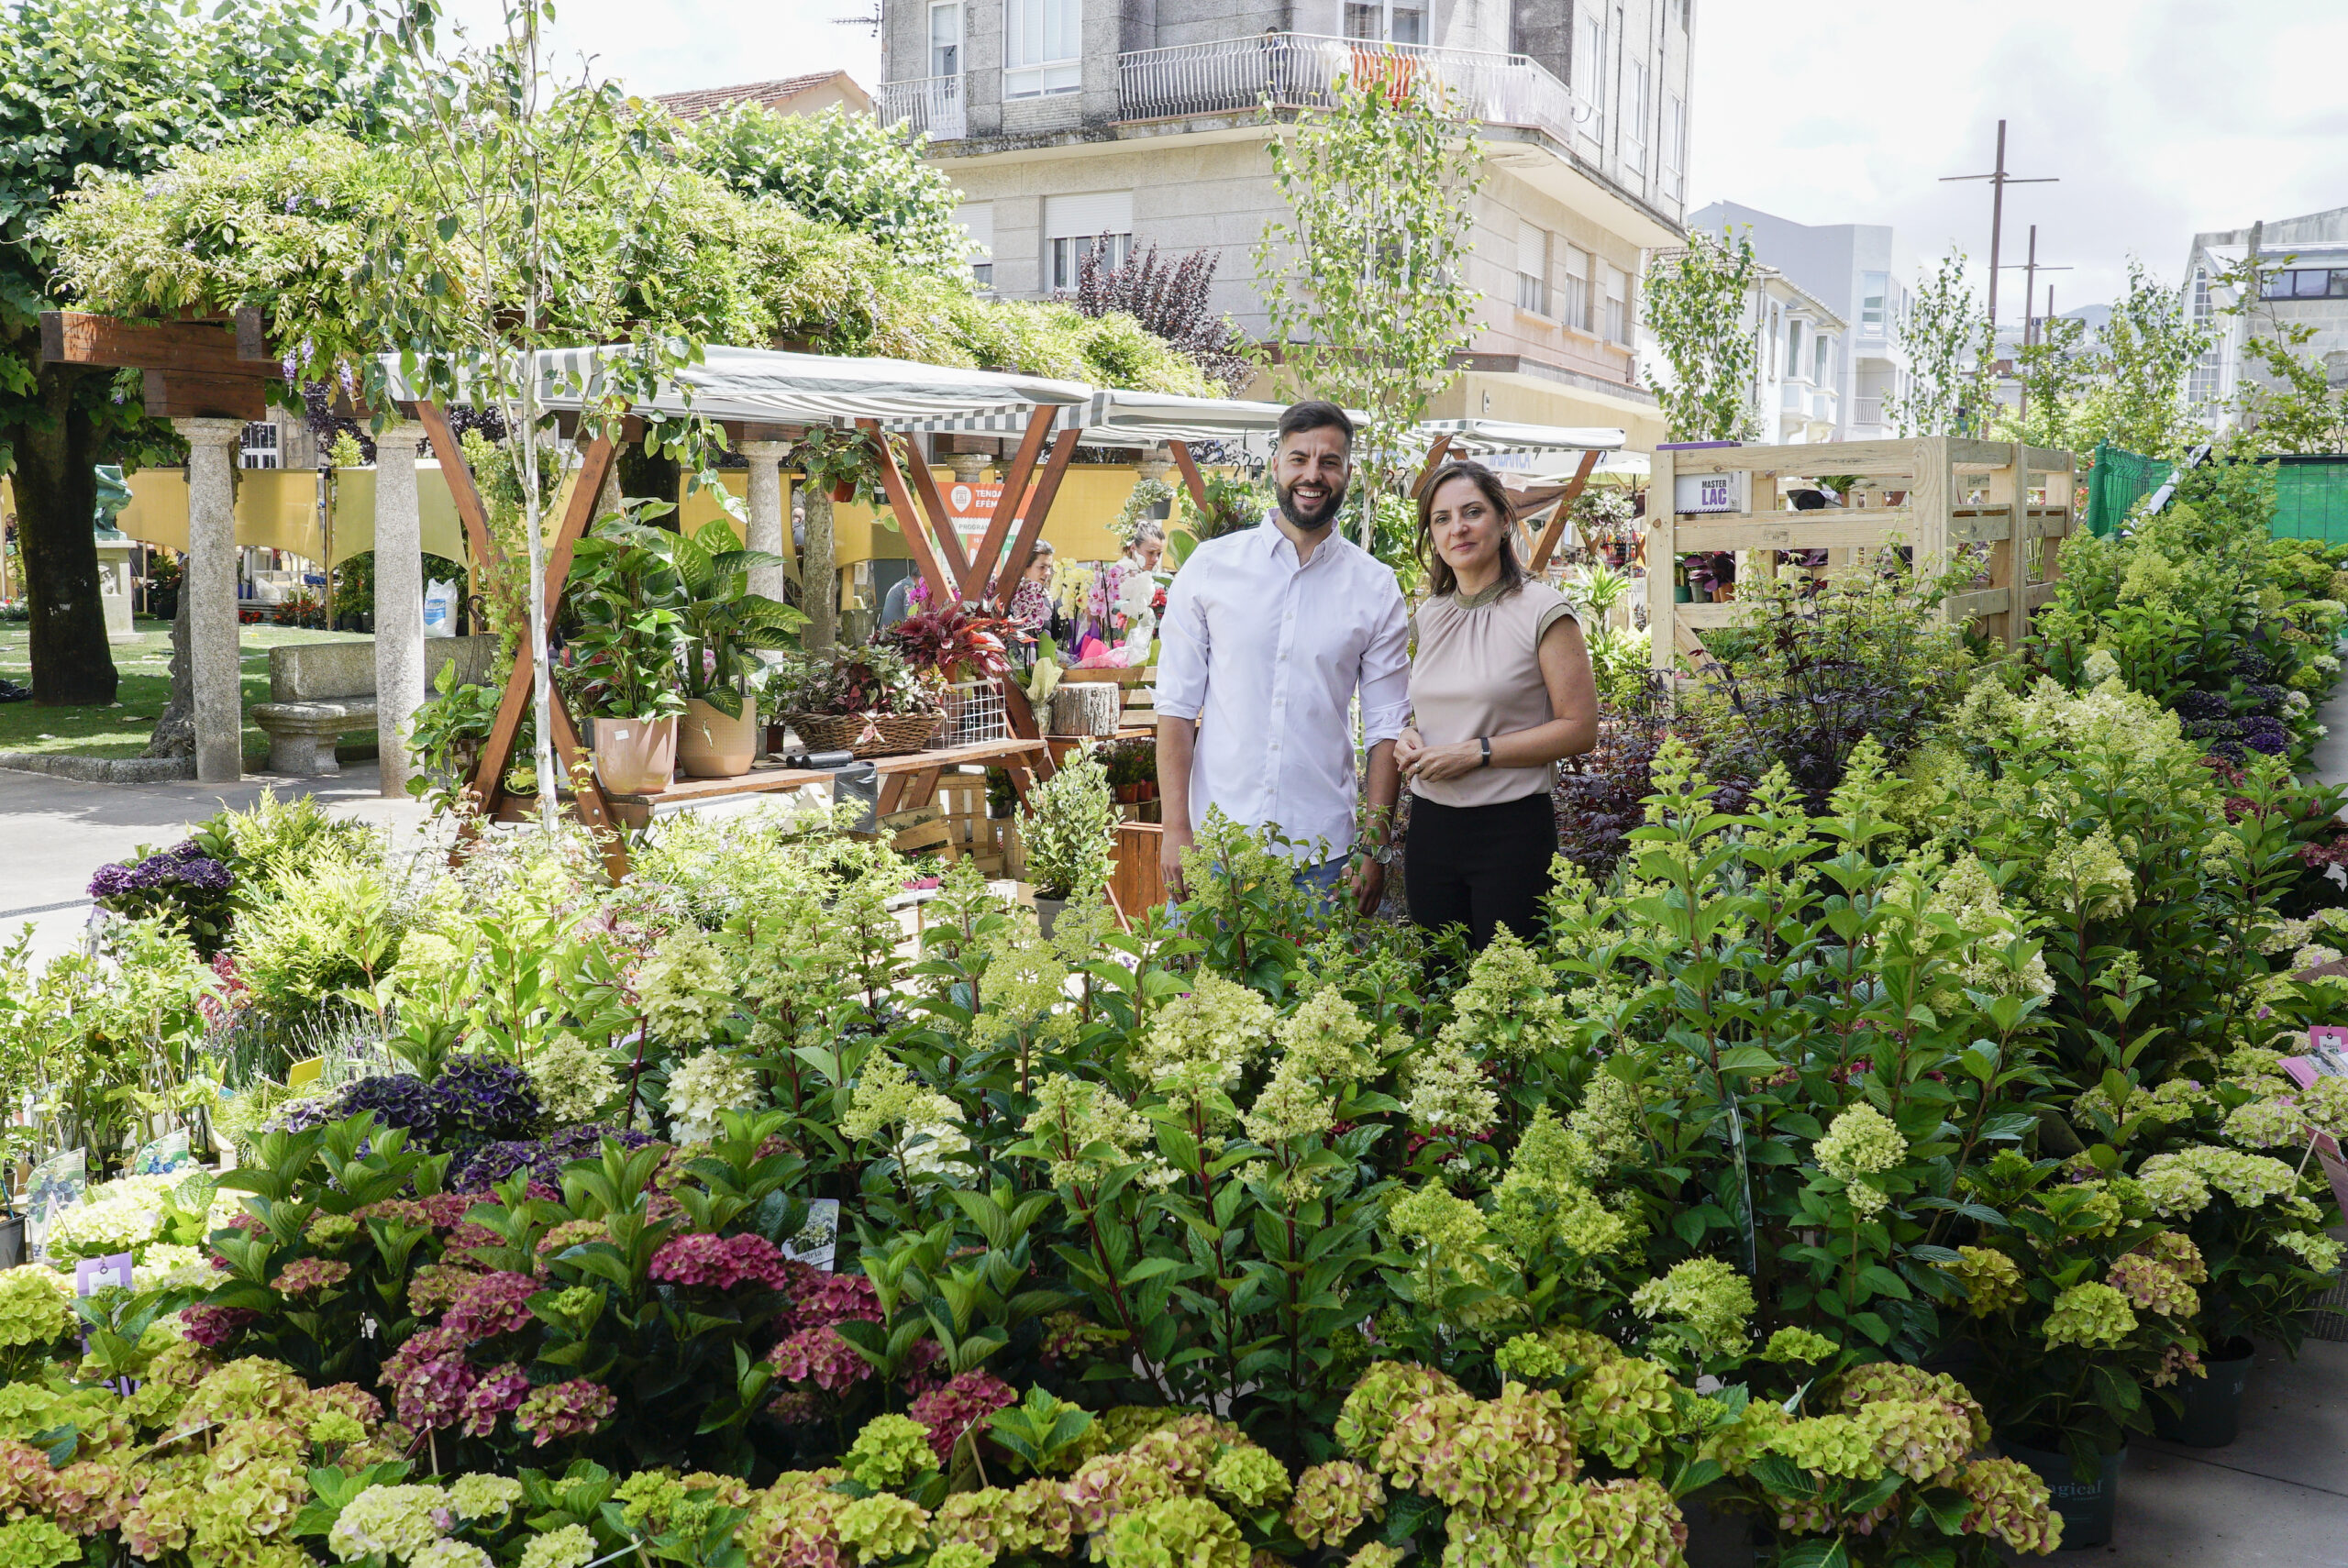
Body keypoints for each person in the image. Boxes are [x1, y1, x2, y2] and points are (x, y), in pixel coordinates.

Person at [1155, 402, 1409, 915]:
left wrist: (1373, 845)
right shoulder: (1210, 568)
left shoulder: (1375, 587)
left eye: (1329, 462)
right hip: (1214, 849)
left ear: (1348, 475)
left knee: (1322, 996)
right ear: (1275, 466)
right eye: (1299, 459)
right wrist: (1176, 828)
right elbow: (1177, 709)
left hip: (1324, 857)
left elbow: (1386, 729)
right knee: (1199, 996)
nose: (1312, 475)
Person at [1394, 461, 1599, 948]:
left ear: (1503, 520)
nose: (1457, 528)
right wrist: (1408, 734)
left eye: (1471, 512)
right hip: (1431, 830)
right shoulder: (1430, 615)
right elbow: (1428, 707)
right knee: (1439, 990)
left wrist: (1477, 752)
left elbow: (1580, 728)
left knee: (1508, 996)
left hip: (1510, 832)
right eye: (1441, 519)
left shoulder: (1542, 610)